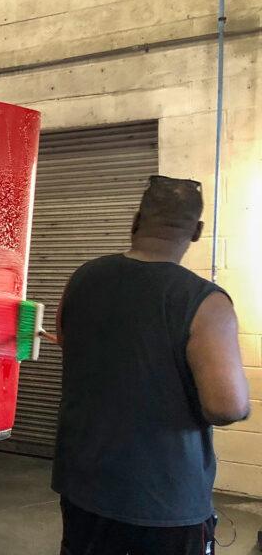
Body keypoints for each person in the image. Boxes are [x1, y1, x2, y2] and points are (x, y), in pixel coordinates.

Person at [52, 176, 250, 555]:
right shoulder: (205, 302)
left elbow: (66, 339)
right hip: (163, 499)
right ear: (197, 231)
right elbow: (226, 407)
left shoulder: (82, 277)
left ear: (136, 219)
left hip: (84, 485)